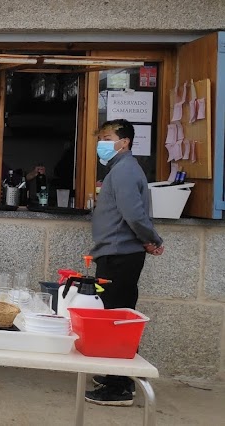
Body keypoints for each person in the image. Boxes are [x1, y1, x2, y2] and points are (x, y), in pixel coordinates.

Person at [86, 119, 164, 407]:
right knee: (112, 316)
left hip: (120, 254)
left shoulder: (124, 170)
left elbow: (134, 215)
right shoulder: (120, 170)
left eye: (106, 137)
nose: (101, 143)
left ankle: (119, 387)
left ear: (125, 142)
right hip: (114, 252)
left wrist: (152, 239)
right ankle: (114, 375)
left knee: (118, 319)